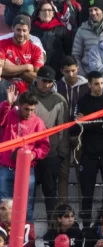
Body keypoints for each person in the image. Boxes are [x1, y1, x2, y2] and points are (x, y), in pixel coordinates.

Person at [75, 71, 103, 227]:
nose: (100, 87)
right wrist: (99, 123)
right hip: (89, 153)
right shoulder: (82, 102)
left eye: (101, 83)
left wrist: (89, 122)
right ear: (89, 85)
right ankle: (86, 226)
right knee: (87, 193)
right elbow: (77, 126)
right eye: (96, 84)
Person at [0, 88, 50, 219]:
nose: (29, 113)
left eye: (32, 110)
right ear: (19, 106)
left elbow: (45, 146)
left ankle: (27, 238)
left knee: (26, 205)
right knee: (4, 205)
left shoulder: (38, 122)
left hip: (27, 169)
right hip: (6, 168)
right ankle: (3, 237)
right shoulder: (10, 114)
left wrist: (33, 154)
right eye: (26, 109)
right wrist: (7, 104)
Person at [29, 65, 68, 221]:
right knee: (27, 192)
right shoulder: (26, 97)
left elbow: (63, 131)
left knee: (50, 193)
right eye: (44, 81)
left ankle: (52, 227)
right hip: (29, 153)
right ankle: (25, 225)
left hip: (51, 154)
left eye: (50, 82)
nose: (46, 85)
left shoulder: (60, 100)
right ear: (37, 79)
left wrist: (61, 154)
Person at [56, 56, 87, 205]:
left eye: (73, 70)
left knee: (81, 173)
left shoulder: (87, 86)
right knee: (63, 174)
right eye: (67, 71)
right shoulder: (56, 87)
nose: (70, 74)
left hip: (81, 134)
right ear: (61, 71)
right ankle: (63, 210)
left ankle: (83, 209)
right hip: (62, 136)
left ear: (78, 68)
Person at [0, 15, 44, 93]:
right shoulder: (2, 44)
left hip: (28, 90)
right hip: (5, 88)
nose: (21, 33)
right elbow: (1, 70)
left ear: (29, 30)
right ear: (12, 28)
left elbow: (39, 78)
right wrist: (27, 67)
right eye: (18, 30)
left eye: (24, 30)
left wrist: (12, 69)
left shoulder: (36, 50)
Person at [30, 0, 70, 74]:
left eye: (49, 10)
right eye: (44, 10)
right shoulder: (31, 30)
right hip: (36, 70)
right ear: (38, 14)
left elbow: (68, 51)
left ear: (53, 14)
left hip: (57, 70)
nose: (47, 13)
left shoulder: (62, 30)